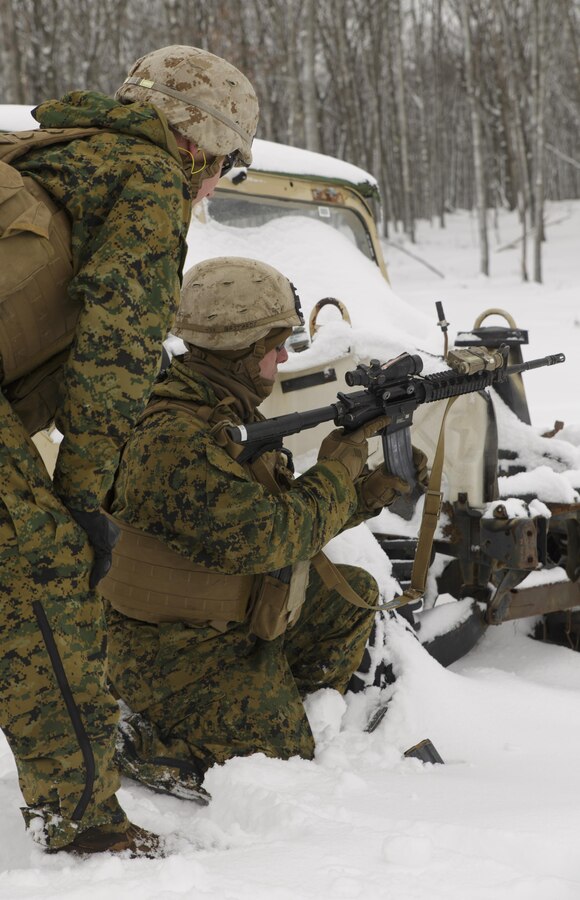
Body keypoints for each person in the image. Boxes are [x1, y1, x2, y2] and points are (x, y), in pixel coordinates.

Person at [0, 48, 258, 855]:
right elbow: (113, 362)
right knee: (45, 569)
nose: (215, 185)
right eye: (226, 165)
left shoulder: (49, 151)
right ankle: (84, 823)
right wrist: (82, 507)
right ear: (198, 143)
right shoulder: (148, 183)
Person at [100, 257, 424, 797]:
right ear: (244, 355)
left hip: (229, 610)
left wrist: (368, 491)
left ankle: (266, 700)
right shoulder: (178, 438)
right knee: (279, 765)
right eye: (276, 347)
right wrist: (337, 467)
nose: (285, 357)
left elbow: (279, 517)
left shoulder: (221, 410)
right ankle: (140, 738)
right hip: (172, 647)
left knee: (352, 598)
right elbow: (274, 537)